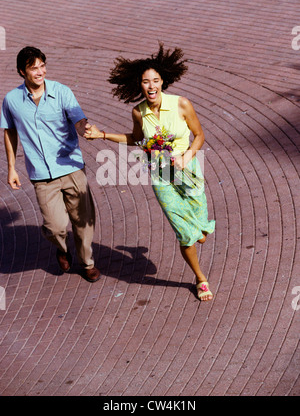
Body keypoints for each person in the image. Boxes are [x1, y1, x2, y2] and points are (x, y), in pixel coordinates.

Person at [84, 43, 215, 300]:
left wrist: (188, 155)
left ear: (163, 81)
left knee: (200, 234)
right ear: (139, 85)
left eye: (155, 80)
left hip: (188, 172)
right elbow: (135, 139)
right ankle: (200, 279)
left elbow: (199, 135)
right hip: (160, 175)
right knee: (185, 234)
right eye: (146, 82)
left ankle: (199, 231)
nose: (151, 86)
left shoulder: (181, 105)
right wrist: (102, 135)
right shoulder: (139, 112)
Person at [0, 46, 100, 282]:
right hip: (41, 174)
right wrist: (12, 167)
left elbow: (78, 119)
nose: (40, 72)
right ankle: (62, 248)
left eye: (42, 66)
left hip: (71, 167)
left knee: (83, 220)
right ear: (21, 72)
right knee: (55, 226)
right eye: (34, 68)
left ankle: (87, 263)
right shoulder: (12, 100)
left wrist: (85, 129)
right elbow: (10, 132)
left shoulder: (61, 92)